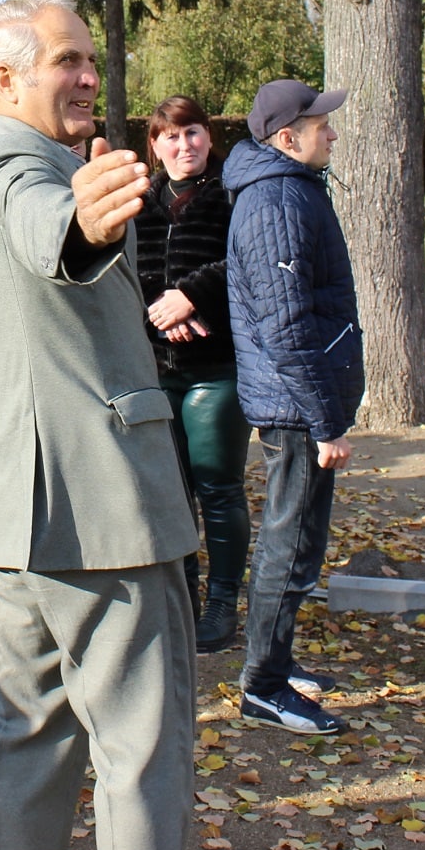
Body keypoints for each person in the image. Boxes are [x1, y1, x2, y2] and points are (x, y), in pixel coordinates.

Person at [0, 0, 195, 850]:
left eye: (90, 58)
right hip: (98, 518)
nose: (89, 74)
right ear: (5, 79)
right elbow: (52, 230)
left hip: (21, 520)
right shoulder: (20, 164)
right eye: (67, 61)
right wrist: (84, 226)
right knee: (143, 752)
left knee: (27, 747)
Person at [224, 77, 363, 737]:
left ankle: (276, 663)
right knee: (289, 540)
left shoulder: (290, 189)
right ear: (287, 138)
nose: (330, 132)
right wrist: (324, 419)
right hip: (295, 407)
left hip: (301, 401)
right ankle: (264, 686)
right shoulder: (276, 200)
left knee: (301, 540)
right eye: (320, 125)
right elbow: (285, 327)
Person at [134, 96, 246, 653]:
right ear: (154, 145)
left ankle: (222, 602)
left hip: (216, 369)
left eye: (193, 134)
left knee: (218, 487)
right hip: (157, 368)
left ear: (209, 137)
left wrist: (191, 297)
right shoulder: (140, 202)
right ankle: (183, 596)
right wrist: (163, 310)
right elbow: (129, 274)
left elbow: (245, 261)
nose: (184, 146)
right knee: (171, 492)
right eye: (171, 137)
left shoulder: (233, 195)